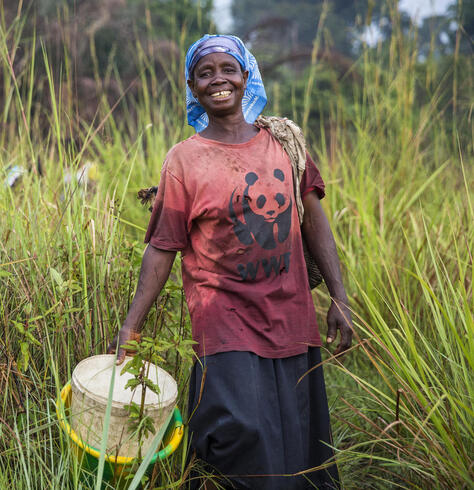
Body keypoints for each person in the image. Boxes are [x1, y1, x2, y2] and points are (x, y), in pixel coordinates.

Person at [108, 34, 352, 489]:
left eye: (228, 69)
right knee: (239, 438)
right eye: (205, 73)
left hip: (291, 319)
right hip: (224, 323)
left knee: (300, 450)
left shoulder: (284, 144)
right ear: (192, 86)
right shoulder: (185, 160)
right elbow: (162, 247)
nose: (218, 79)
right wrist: (131, 326)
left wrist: (339, 297)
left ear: (246, 76)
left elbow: (315, 221)